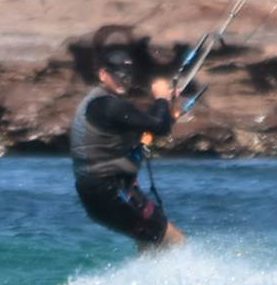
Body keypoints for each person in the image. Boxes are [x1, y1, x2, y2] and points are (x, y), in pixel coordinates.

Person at [70, 27, 188, 252]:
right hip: (110, 193)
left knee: (150, 244)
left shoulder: (100, 103)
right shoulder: (108, 106)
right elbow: (159, 126)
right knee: (176, 243)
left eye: (127, 75)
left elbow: (150, 124)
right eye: (117, 74)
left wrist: (165, 106)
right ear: (103, 74)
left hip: (102, 192)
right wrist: (162, 98)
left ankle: (143, 276)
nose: (123, 79)